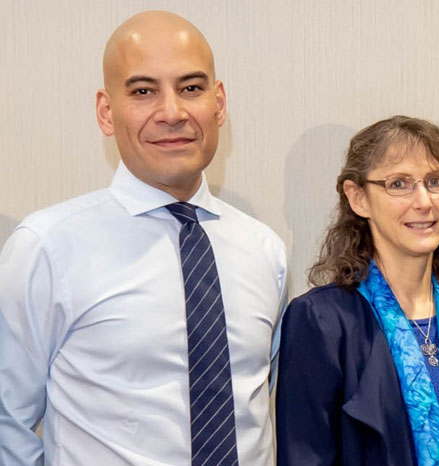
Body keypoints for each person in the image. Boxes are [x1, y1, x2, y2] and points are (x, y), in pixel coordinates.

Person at [0, 11, 287, 465]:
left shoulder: (264, 250)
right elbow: (5, 423)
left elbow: (256, 407)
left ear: (220, 103)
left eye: (191, 88)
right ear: (106, 111)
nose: (172, 113)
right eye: (143, 91)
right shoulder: (46, 247)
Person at [276, 116, 439, 465]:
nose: (424, 202)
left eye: (436, 181)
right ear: (358, 197)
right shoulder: (321, 322)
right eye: (399, 184)